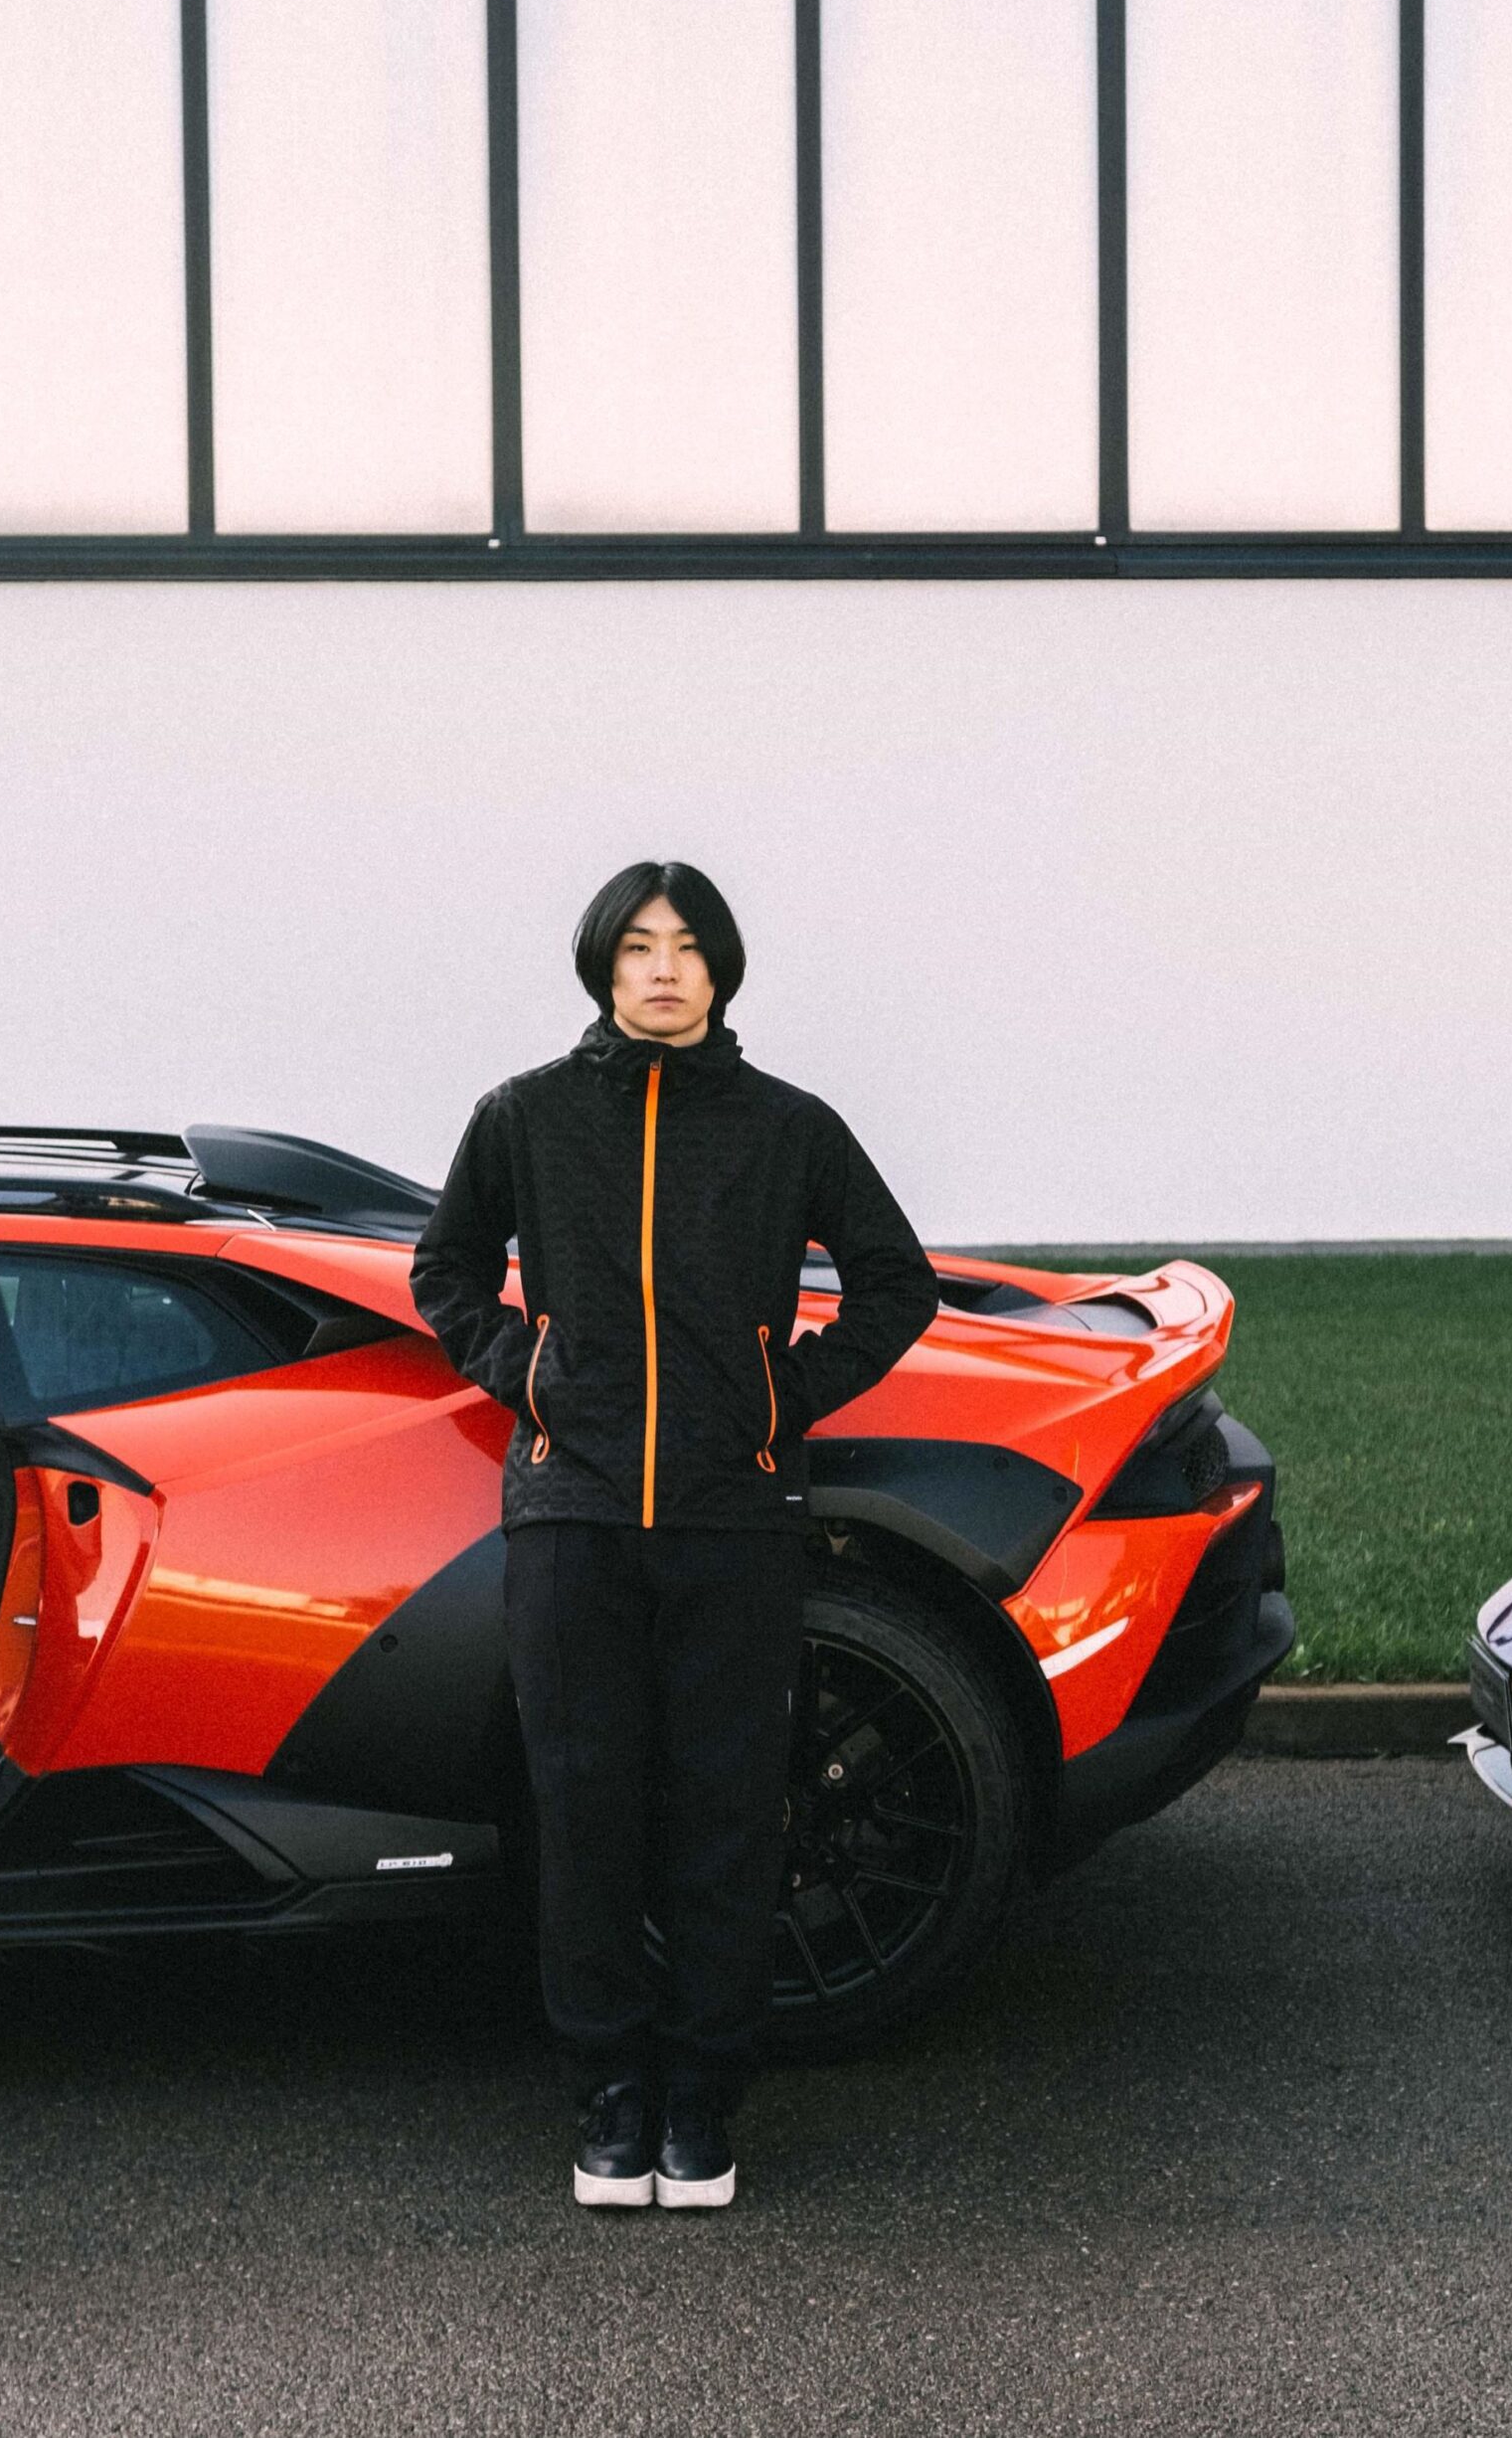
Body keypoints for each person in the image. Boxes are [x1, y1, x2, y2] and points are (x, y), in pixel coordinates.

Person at [409, 861, 938, 2211]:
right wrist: (524, 1371)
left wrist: (785, 1393)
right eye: (639, 945)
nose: (662, 967)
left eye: (688, 947)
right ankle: (608, 2099)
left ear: (721, 970)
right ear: (602, 965)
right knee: (586, 1817)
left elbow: (897, 1282)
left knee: (724, 1818)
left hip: (734, 1519)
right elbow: (445, 1271)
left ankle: (702, 2103)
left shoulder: (787, 1128)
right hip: (573, 1518)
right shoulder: (524, 1118)